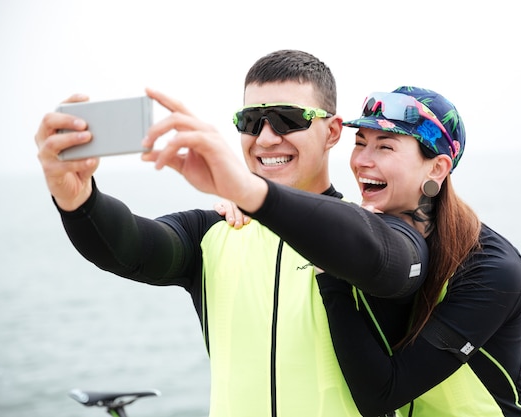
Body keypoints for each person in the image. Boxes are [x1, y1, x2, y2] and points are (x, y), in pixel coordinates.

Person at [34, 50, 430, 417]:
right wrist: (78, 198)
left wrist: (252, 193)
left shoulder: (379, 229)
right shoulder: (214, 231)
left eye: (288, 119)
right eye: (251, 121)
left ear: (332, 132)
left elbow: (385, 259)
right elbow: (130, 247)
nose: (266, 137)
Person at [313, 86, 521, 417]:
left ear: (437, 169)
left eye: (385, 146)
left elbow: (382, 395)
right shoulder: (378, 241)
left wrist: (332, 276)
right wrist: (245, 210)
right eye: (360, 144)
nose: (361, 160)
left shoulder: (490, 269)